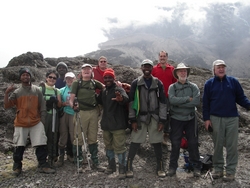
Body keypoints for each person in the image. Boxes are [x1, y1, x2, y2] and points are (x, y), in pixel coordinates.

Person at [202, 60, 250, 181]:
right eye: (218, 67)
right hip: (215, 118)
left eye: (223, 67)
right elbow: (205, 103)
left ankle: (230, 171)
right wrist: (206, 119)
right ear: (214, 69)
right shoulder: (209, 84)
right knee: (217, 145)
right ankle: (218, 169)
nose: (221, 69)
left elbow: (241, 98)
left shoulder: (233, 82)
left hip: (232, 118)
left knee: (232, 145)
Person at [4, 68, 55, 176]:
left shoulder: (37, 90)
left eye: (27, 75)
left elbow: (42, 107)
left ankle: (43, 165)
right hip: (21, 122)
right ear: (20, 77)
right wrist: (7, 93)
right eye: (23, 75)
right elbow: (7, 106)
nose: (25, 76)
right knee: (19, 145)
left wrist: (42, 121)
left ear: (30, 77)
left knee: (41, 143)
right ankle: (17, 167)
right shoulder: (17, 92)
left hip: (36, 122)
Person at [126, 59, 167, 178]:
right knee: (135, 141)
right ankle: (129, 167)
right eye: (145, 66)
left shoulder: (158, 83)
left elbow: (163, 102)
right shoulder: (136, 83)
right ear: (141, 68)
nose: (147, 69)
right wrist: (133, 120)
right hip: (140, 117)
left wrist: (162, 120)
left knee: (157, 141)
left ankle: (160, 167)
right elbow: (131, 102)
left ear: (152, 68)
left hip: (154, 116)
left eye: (149, 66)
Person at [167, 63, 201, 177]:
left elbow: (196, 102)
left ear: (187, 73)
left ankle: (196, 167)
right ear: (176, 73)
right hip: (176, 119)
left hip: (191, 118)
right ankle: (172, 167)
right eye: (180, 71)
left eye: (184, 71)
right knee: (175, 143)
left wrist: (179, 103)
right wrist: (187, 99)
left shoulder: (193, 87)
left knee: (193, 143)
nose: (183, 73)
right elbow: (172, 101)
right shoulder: (172, 87)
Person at [69, 63, 105, 172]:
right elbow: (71, 99)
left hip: (93, 112)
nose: (86, 71)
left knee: (93, 137)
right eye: (84, 69)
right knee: (79, 138)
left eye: (88, 69)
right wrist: (73, 106)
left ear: (91, 72)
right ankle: (79, 162)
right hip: (81, 113)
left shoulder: (94, 83)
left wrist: (118, 84)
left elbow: (105, 87)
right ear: (81, 72)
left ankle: (95, 161)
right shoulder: (76, 83)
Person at [98, 68, 129, 179]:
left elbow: (126, 99)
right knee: (108, 147)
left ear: (113, 78)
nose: (107, 79)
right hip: (106, 124)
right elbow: (98, 101)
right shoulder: (104, 91)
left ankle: (122, 168)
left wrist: (120, 99)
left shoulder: (119, 89)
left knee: (120, 147)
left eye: (109, 77)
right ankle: (111, 166)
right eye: (105, 77)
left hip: (118, 124)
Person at [152, 50, 177, 145]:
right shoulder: (154, 69)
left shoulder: (172, 69)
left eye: (164, 56)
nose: (162, 58)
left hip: (168, 97)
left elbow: (175, 82)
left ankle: (165, 134)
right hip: (157, 97)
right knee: (156, 115)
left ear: (167, 57)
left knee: (167, 115)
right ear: (159, 57)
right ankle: (156, 133)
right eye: (161, 56)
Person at [41, 70, 62, 166]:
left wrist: (56, 101)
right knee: (42, 136)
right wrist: (48, 101)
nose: (52, 79)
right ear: (46, 78)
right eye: (50, 77)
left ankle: (52, 156)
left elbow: (59, 104)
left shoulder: (57, 91)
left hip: (54, 115)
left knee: (53, 136)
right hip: (43, 116)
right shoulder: (40, 89)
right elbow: (38, 102)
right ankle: (42, 158)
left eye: (54, 78)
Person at [55, 72, 76, 167]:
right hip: (64, 114)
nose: (69, 80)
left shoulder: (77, 89)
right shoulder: (61, 90)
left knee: (73, 136)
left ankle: (74, 155)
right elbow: (59, 104)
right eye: (67, 79)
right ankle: (61, 158)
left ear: (74, 79)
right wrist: (63, 104)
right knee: (63, 135)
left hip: (74, 114)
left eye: (71, 78)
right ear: (65, 80)